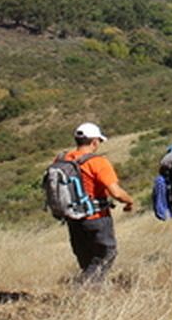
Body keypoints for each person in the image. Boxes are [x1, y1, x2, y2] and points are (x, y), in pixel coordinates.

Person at [55, 122, 136, 284]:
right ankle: (83, 289)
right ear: (94, 142)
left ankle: (91, 298)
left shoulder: (62, 159)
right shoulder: (97, 162)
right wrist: (130, 202)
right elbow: (116, 192)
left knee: (87, 260)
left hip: (73, 218)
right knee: (106, 254)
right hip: (96, 217)